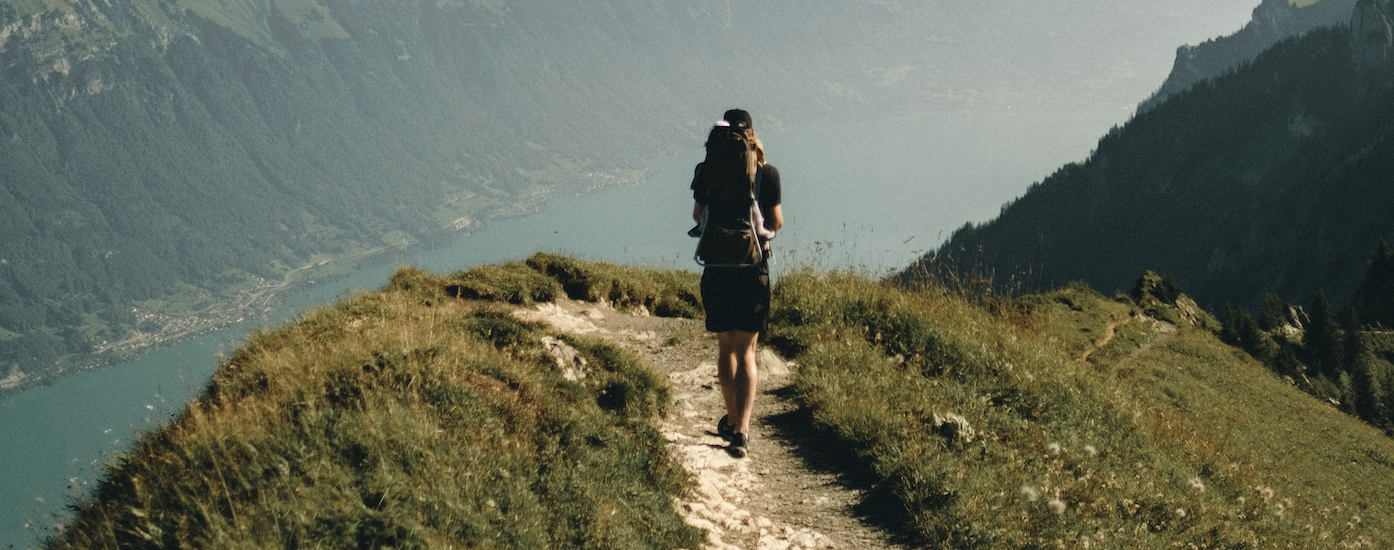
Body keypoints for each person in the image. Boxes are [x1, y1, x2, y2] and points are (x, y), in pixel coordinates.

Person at [690, 109, 783, 458]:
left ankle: (730, 419)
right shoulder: (767, 174)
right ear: (752, 135)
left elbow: (698, 216)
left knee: (725, 348)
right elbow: (775, 222)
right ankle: (741, 432)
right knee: (747, 352)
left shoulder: (706, 170)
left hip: (716, 269)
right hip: (752, 270)